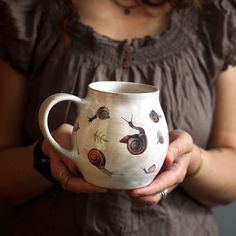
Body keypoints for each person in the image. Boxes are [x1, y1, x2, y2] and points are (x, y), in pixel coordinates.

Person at [0, 0, 236, 235]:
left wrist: (192, 159)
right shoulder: (31, 13)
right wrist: (46, 153)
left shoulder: (213, 16)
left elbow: (231, 178)